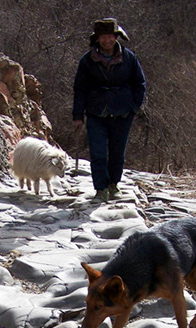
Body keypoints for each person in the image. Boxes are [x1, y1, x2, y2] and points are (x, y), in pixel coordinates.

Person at [73, 18, 146, 202]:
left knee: (117, 152)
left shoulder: (129, 58)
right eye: (103, 37)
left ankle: (114, 184)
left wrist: (134, 106)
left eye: (110, 37)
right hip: (96, 111)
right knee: (97, 152)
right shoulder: (87, 61)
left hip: (122, 112)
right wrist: (78, 115)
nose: (107, 41)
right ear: (97, 39)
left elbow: (139, 84)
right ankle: (100, 188)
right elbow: (80, 88)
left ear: (116, 37)